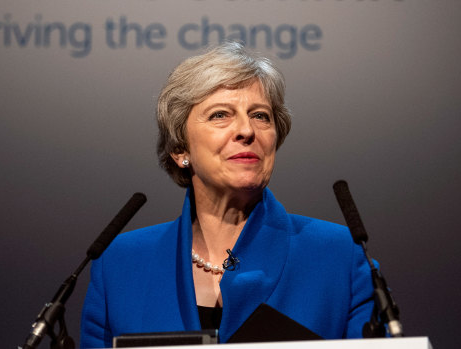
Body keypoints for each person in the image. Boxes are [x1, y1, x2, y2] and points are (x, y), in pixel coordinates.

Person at [80, 42, 375, 348]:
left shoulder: (340, 256)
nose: (247, 130)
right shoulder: (120, 264)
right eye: (220, 114)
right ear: (180, 149)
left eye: (261, 116)